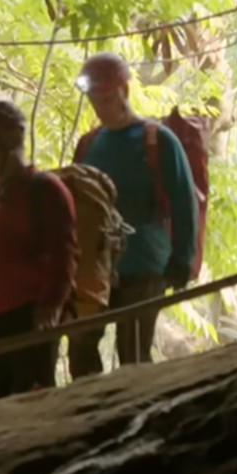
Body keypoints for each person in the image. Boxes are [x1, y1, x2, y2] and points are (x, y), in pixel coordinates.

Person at [67, 52, 199, 375]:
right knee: (81, 349)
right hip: (96, 268)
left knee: (133, 354)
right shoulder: (88, 145)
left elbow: (184, 201)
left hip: (144, 266)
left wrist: (181, 261)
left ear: (124, 90)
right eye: (93, 99)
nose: (99, 107)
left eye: (106, 98)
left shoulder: (158, 141)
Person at [0, 99, 78, 398]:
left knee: (29, 406)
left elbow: (63, 256)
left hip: (26, 321)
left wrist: (50, 309)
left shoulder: (44, 189)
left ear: (10, 141)